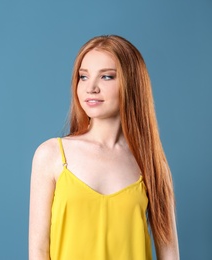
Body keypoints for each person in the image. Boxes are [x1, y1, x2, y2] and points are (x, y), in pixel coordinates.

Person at [29, 35, 179, 260]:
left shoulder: (152, 164)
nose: (91, 88)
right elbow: (39, 251)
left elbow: (169, 253)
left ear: (132, 84)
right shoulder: (51, 155)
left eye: (107, 76)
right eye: (83, 76)